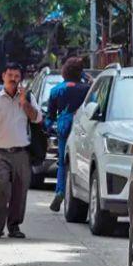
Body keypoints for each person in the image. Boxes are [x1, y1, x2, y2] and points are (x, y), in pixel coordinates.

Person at [0, 63, 42, 239]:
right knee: (2, 186)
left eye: (16, 76)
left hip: (21, 153)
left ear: (20, 78)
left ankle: (14, 226)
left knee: (19, 191)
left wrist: (24, 103)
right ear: (3, 77)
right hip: (0, 153)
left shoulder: (28, 98)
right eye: (10, 75)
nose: (13, 79)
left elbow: (37, 118)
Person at [48, 57, 91, 212]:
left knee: (62, 162)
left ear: (64, 71)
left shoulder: (56, 90)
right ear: (80, 72)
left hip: (63, 128)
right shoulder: (86, 89)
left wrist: (46, 129)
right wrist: (88, 79)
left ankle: (60, 191)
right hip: (80, 129)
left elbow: (50, 117)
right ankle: (76, 192)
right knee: (79, 161)